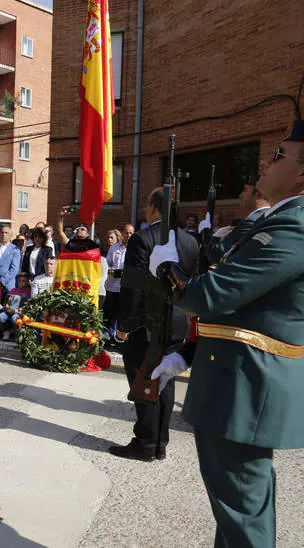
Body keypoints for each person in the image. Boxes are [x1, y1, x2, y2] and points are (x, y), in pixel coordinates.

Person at [149, 120, 304, 546]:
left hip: (246, 386)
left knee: (243, 512)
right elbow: (245, 306)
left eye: (277, 156)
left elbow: (214, 294)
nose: (264, 163)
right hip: (235, 378)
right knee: (238, 508)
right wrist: (188, 352)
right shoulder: (277, 221)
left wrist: (166, 268)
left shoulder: (295, 225)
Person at [110, 187, 199, 461]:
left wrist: (124, 325)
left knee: (144, 377)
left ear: (153, 208)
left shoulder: (143, 238)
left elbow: (133, 287)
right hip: (178, 322)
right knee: (165, 381)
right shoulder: (191, 241)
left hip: (146, 325)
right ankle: (160, 443)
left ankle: (146, 442)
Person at [202, 180, 270, 264]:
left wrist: (208, 232)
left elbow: (217, 253)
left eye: (245, 190)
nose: (240, 195)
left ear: (259, 194)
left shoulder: (252, 222)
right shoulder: (269, 216)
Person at [103, 228, 126, 331]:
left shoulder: (129, 249)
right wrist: (110, 270)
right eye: (108, 237)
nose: (109, 239)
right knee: (108, 311)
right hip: (111, 286)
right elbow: (107, 264)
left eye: (112, 237)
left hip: (123, 287)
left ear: (118, 237)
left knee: (120, 313)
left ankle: (116, 334)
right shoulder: (113, 249)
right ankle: (106, 333)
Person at [0, 225, 20, 296]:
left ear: (11, 235)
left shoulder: (15, 249)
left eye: (6, 233)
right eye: (2, 232)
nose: (3, 234)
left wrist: (2, 281)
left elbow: (14, 269)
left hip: (9, 285)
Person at [0, 272, 30, 339]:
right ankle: (5, 331)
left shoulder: (28, 291)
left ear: (27, 282)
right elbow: (7, 300)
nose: (21, 283)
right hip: (9, 310)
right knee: (0, 317)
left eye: (23, 281)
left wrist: (21, 309)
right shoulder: (13, 290)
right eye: (19, 281)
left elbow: (28, 303)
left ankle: (16, 334)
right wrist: (6, 305)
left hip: (19, 311)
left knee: (15, 318)